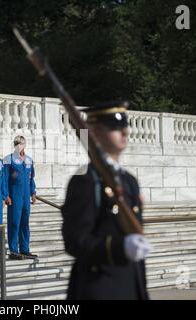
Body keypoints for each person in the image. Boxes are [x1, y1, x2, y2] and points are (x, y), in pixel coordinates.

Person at [61, 100, 152, 299]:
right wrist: (120, 248)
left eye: (125, 126)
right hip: (99, 287)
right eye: (115, 127)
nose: (124, 131)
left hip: (131, 284)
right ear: (95, 132)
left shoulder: (129, 181)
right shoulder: (85, 180)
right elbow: (75, 240)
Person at [3, 136, 37, 260]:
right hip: (14, 196)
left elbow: (31, 178)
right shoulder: (8, 159)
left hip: (25, 196)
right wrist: (6, 195)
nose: (19, 145)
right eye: (17, 143)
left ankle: (25, 249)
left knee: (25, 223)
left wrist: (33, 192)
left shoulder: (29, 160)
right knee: (14, 222)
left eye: (21, 143)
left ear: (25, 144)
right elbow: (4, 179)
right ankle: (13, 250)